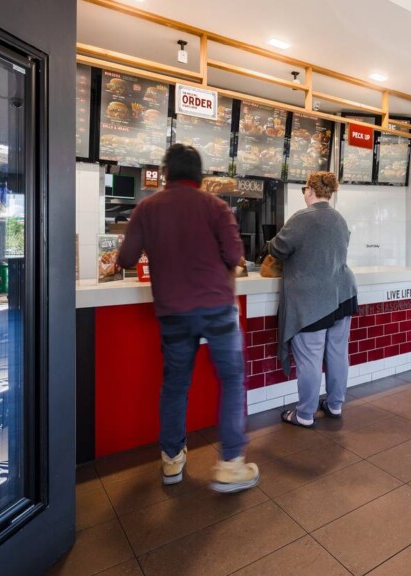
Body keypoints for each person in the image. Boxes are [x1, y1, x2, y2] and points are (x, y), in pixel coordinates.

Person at [117, 144, 259, 493]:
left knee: (176, 385)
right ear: (200, 174)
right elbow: (234, 255)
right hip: (217, 307)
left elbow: (126, 258)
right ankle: (230, 465)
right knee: (232, 379)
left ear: (166, 173)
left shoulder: (147, 208)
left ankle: (172, 460)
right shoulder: (216, 206)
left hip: (173, 312)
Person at [269, 171, 358, 428]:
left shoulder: (302, 218)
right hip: (343, 295)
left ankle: (305, 414)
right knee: (338, 353)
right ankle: (335, 404)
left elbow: (277, 248)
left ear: (309, 190)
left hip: (312, 301)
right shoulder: (339, 219)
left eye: (304, 190)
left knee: (310, 358)